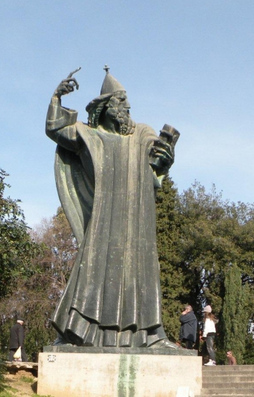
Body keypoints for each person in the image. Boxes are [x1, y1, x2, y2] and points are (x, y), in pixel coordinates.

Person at [46, 67, 178, 348]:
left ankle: (151, 336)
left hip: (138, 220)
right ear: (105, 106)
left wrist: (166, 156)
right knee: (93, 271)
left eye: (127, 101)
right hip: (104, 219)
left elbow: (158, 163)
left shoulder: (142, 134)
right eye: (121, 101)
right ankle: (77, 332)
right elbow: (55, 129)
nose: (127, 107)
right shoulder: (88, 136)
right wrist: (57, 98)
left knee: (142, 272)